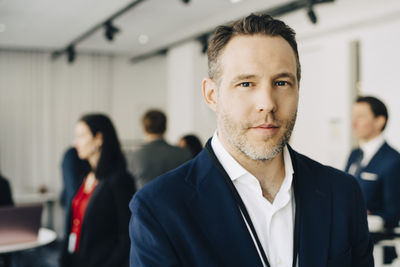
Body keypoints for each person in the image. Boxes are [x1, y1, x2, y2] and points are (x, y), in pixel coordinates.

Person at [129, 14, 373, 267]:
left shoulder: (342, 193)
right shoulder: (160, 208)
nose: (267, 103)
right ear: (212, 95)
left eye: (281, 82)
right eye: (246, 83)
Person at [60, 113, 135, 267]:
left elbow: (126, 236)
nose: (75, 143)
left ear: (99, 139)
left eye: (81, 136)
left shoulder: (119, 180)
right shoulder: (86, 178)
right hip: (77, 260)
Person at [345, 96, 400, 230]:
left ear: (379, 121)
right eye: (353, 116)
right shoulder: (355, 154)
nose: (354, 123)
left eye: (361, 117)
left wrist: (368, 218)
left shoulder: (393, 160)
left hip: (376, 243)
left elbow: (393, 214)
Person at [126, 109, 191, 189]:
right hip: (177, 200)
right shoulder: (183, 154)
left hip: (146, 200)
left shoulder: (134, 156)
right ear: (165, 128)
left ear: (144, 129)